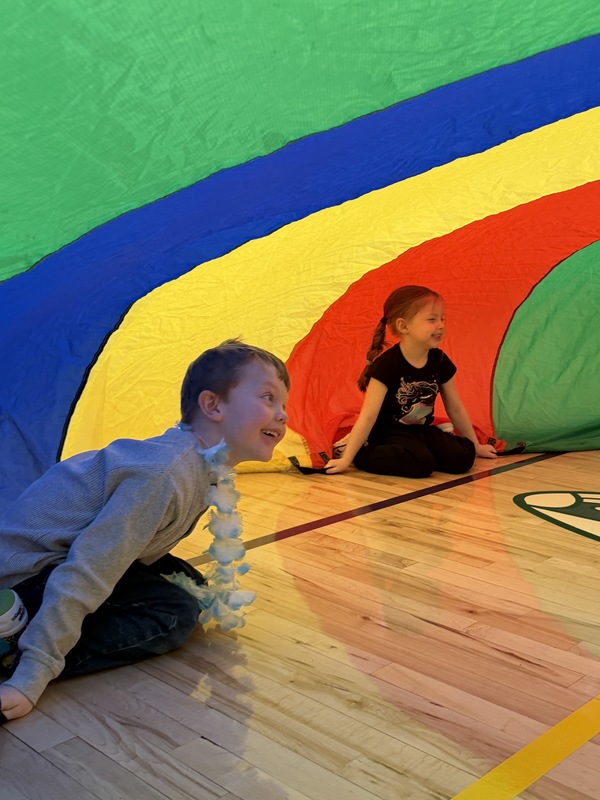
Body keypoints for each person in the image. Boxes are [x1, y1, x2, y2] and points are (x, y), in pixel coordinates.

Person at [0, 340, 289, 722]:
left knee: (187, 581)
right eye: (269, 398)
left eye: (284, 404)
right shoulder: (166, 474)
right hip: (31, 574)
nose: (283, 415)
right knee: (175, 612)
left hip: (66, 554)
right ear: (213, 405)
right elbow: (88, 570)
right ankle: (14, 651)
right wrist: (30, 676)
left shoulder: (202, 466)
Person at [325, 285, 496, 477]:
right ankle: (361, 454)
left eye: (442, 318)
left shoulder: (439, 360)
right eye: (431, 320)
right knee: (421, 464)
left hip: (421, 431)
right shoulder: (387, 365)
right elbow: (368, 416)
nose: (441, 325)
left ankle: (425, 452)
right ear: (403, 326)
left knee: (463, 457)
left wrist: (476, 446)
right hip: (388, 434)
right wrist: (347, 459)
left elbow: (455, 408)